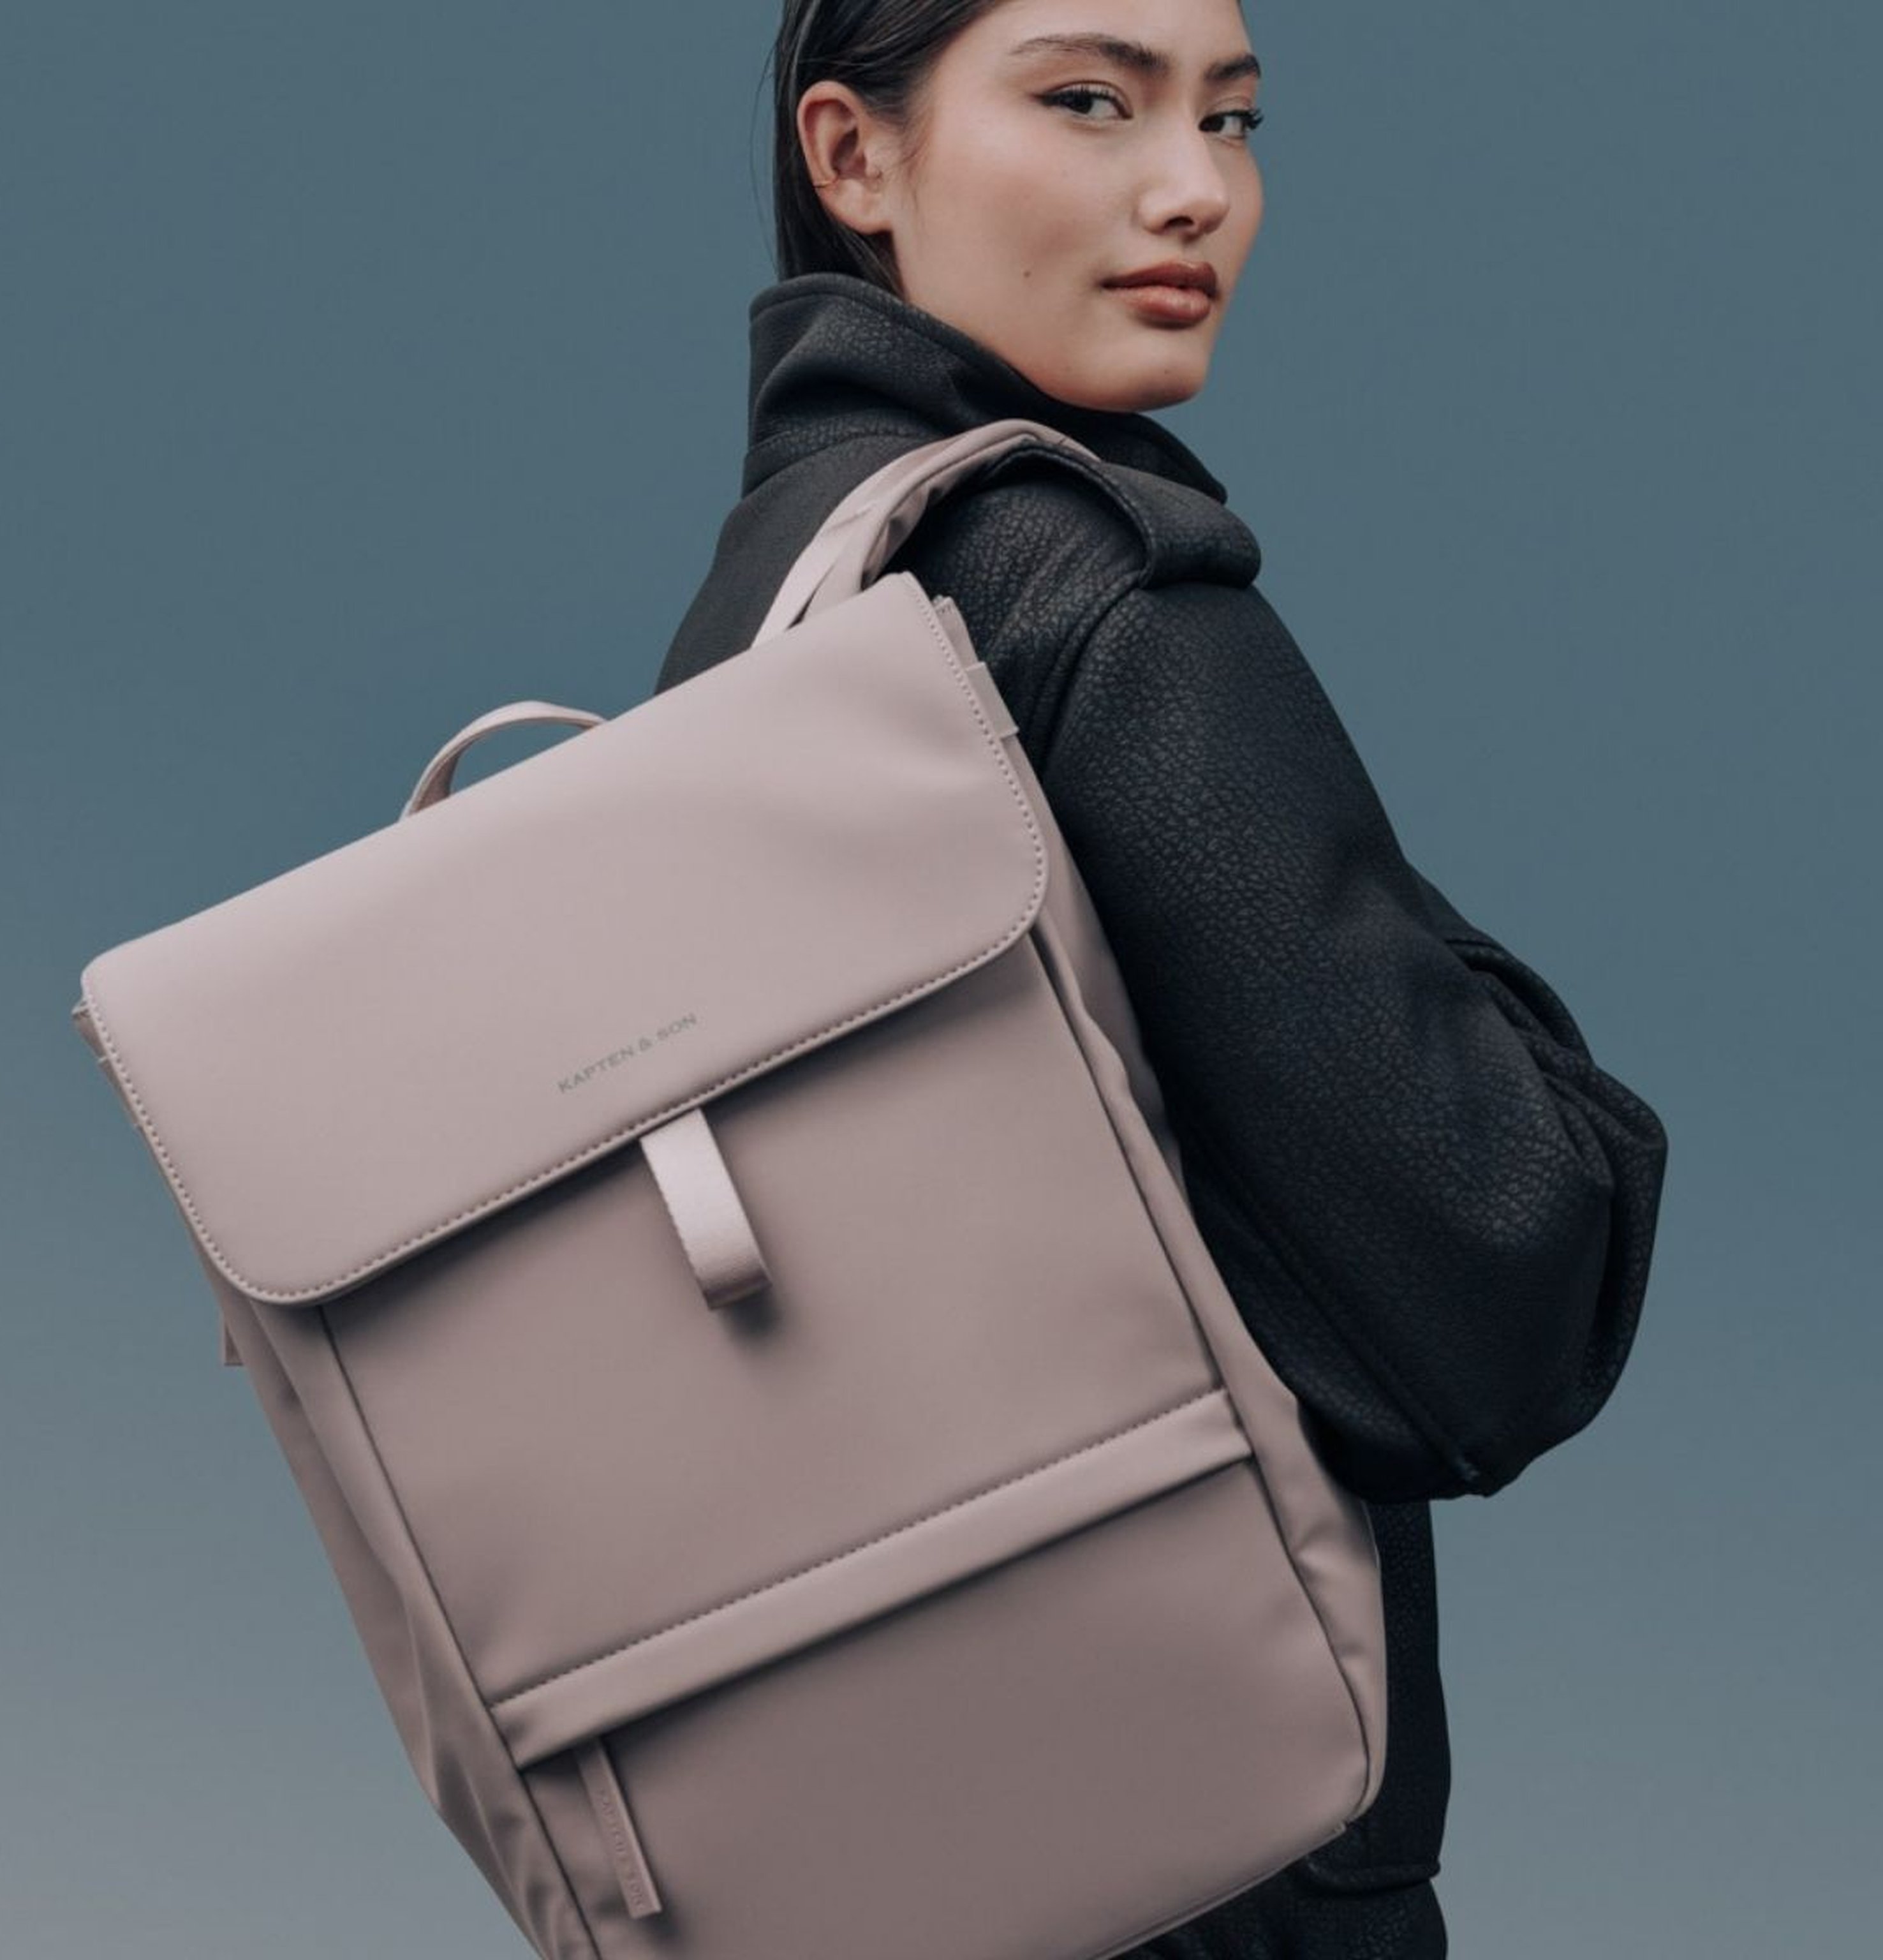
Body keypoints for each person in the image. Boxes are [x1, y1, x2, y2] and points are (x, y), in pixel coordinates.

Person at [654, 3, 1671, 1954]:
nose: (1196, 187)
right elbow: (1506, 1281)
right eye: (1089, 100)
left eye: (1234, 114)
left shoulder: (776, 601)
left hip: (857, 1834)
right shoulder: (1092, 588)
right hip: (1202, 1853)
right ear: (852, 159)